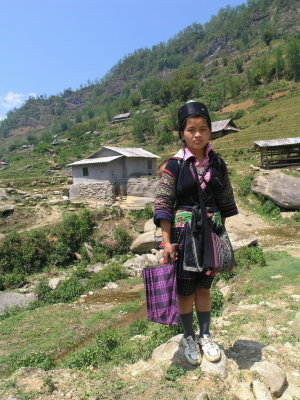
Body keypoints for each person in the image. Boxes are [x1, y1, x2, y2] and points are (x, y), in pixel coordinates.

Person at [154, 101, 238, 365]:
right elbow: (164, 205)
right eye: (191, 129)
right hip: (182, 235)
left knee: (204, 287)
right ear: (183, 133)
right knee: (185, 289)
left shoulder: (218, 164)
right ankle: (188, 337)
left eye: (203, 129)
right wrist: (166, 242)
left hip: (210, 234)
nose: (197, 134)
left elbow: (225, 202)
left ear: (210, 131)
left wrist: (220, 235)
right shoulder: (174, 166)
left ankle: (206, 334)